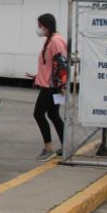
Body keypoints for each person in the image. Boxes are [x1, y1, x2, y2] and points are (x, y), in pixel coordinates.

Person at [25, 13, 67, 161]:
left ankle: (48, 148)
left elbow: (61, 63)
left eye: (40, 26)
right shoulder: (50, 40)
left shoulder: (55, 41)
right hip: (51, 85)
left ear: (47, 26)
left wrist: (62, 84)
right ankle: (66, 146)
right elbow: (49, 65)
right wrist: (37, 77)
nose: (38, 29)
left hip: (52, 87)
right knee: (53, 115)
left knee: (38, 114)